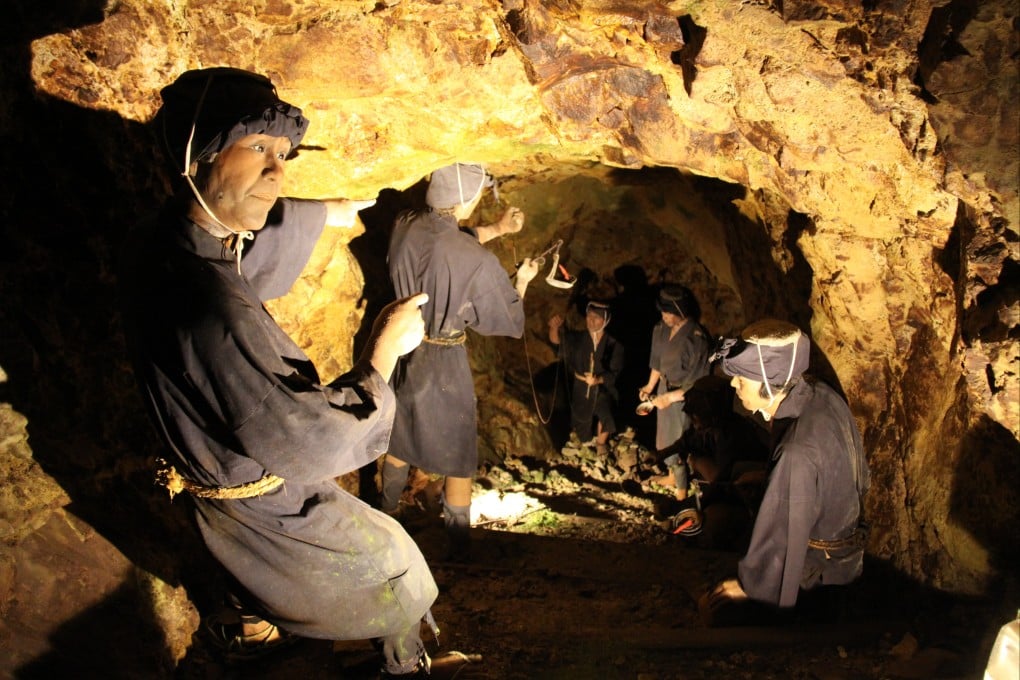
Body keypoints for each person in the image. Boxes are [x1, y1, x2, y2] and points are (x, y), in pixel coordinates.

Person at [120, 67, 470, 678]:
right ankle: (397, 666)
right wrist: (383, 353)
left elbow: (236, 251)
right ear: (200, 153)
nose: (276, 172)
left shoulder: (161, 243)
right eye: (258, 147)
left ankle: (256, 627)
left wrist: (324, 213)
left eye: (283, 155)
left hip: (217, 484)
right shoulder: (211, 307)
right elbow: (307, 441)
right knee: (397, 569)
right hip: (265, 502)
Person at [381, 162, 540, 560]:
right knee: (458, 453)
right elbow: (508, 321)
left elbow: (444, 240)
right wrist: (522, 282)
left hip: (403, 345)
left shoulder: (404, 224)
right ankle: (458, 546)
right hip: (444, 358)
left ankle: (385, 514)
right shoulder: (476, 260)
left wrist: (498, 229)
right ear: (465, 198)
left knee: (400, 433)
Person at [704, 319, 870, 624]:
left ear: (768, 384)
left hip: (822, 577)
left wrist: (749, 585)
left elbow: (784, 532)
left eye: (741, 378)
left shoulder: (797, 452)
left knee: (720, 598)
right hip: (846, 550)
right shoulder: (819, 394)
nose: (733, 384)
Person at [646, 375, 770, 550]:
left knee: (713, 522)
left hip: (744, 502)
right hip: (720, 491)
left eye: (698, 413)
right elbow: (687, 441)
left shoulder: (731, 435)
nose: (694, 418)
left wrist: (697, 463)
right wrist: (661, 454)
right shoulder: (706, 429)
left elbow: (721, 479)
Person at [638, 284, 713, 453]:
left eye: (668, 312)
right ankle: (668, 466)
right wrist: (649, 386)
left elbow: (698, 384)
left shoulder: (697, 340)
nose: (663, 316)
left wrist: (670, 398)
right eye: (662, 312)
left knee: (680, 437)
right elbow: (657, 361)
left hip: (683, 396)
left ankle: (680, 468)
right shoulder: (660, 328)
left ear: (680, 311)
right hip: (663, 387)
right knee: (664, 434)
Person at [547, 299, 624, 456]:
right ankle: (583, 439)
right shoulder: (578, 338)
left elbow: (615, 372)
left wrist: (598, 380)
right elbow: (558, 342)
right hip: (581, 386)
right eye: (589, 316)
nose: (591, 320)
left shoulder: (613, 344)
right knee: (581, 422)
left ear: (605, 320)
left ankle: (601, 442)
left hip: (603, 388)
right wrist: (553, 328)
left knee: (605, 410)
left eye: (596, 317)